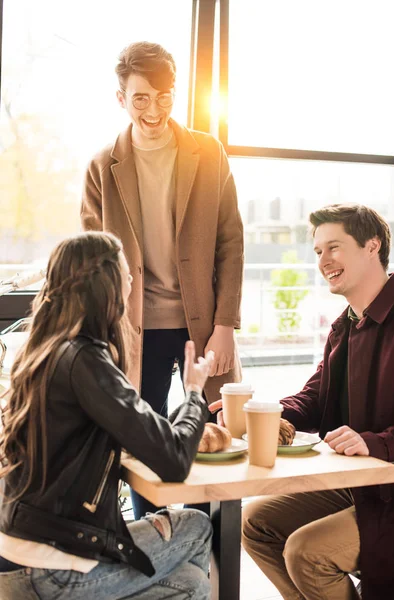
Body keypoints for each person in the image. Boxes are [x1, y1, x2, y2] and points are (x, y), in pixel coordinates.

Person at [0, 231, 214, 600]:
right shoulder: (85, 360)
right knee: (195, 525)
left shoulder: (41, 352)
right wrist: (194, 393)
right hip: (51, 568)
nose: (133, 281)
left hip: (16, 552)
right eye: (127, 273)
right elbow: (174, 460)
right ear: (108, 286)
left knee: (191, 586)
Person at [81, 41, 244, 518]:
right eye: (141, 99)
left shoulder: (207, 153)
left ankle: (208, 547)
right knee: (141, 442)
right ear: (121, 99)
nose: (154, 110)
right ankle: (158, 542)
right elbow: (93, 259)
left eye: (165, 96)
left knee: (217, 434)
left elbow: (230, 242)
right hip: (134, 327)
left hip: (203, 324)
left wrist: (226, 324)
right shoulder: (101, 166)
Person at [212, 203, 394, 600]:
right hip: (359, 482)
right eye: (317, 252)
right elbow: (314, 398)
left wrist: (377, 442)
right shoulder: (346, 324)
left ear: (372, 246)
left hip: (392, 486)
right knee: (255, 523)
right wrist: (260, 415)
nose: (323, 261)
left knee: (306, 551)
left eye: (334, 247)